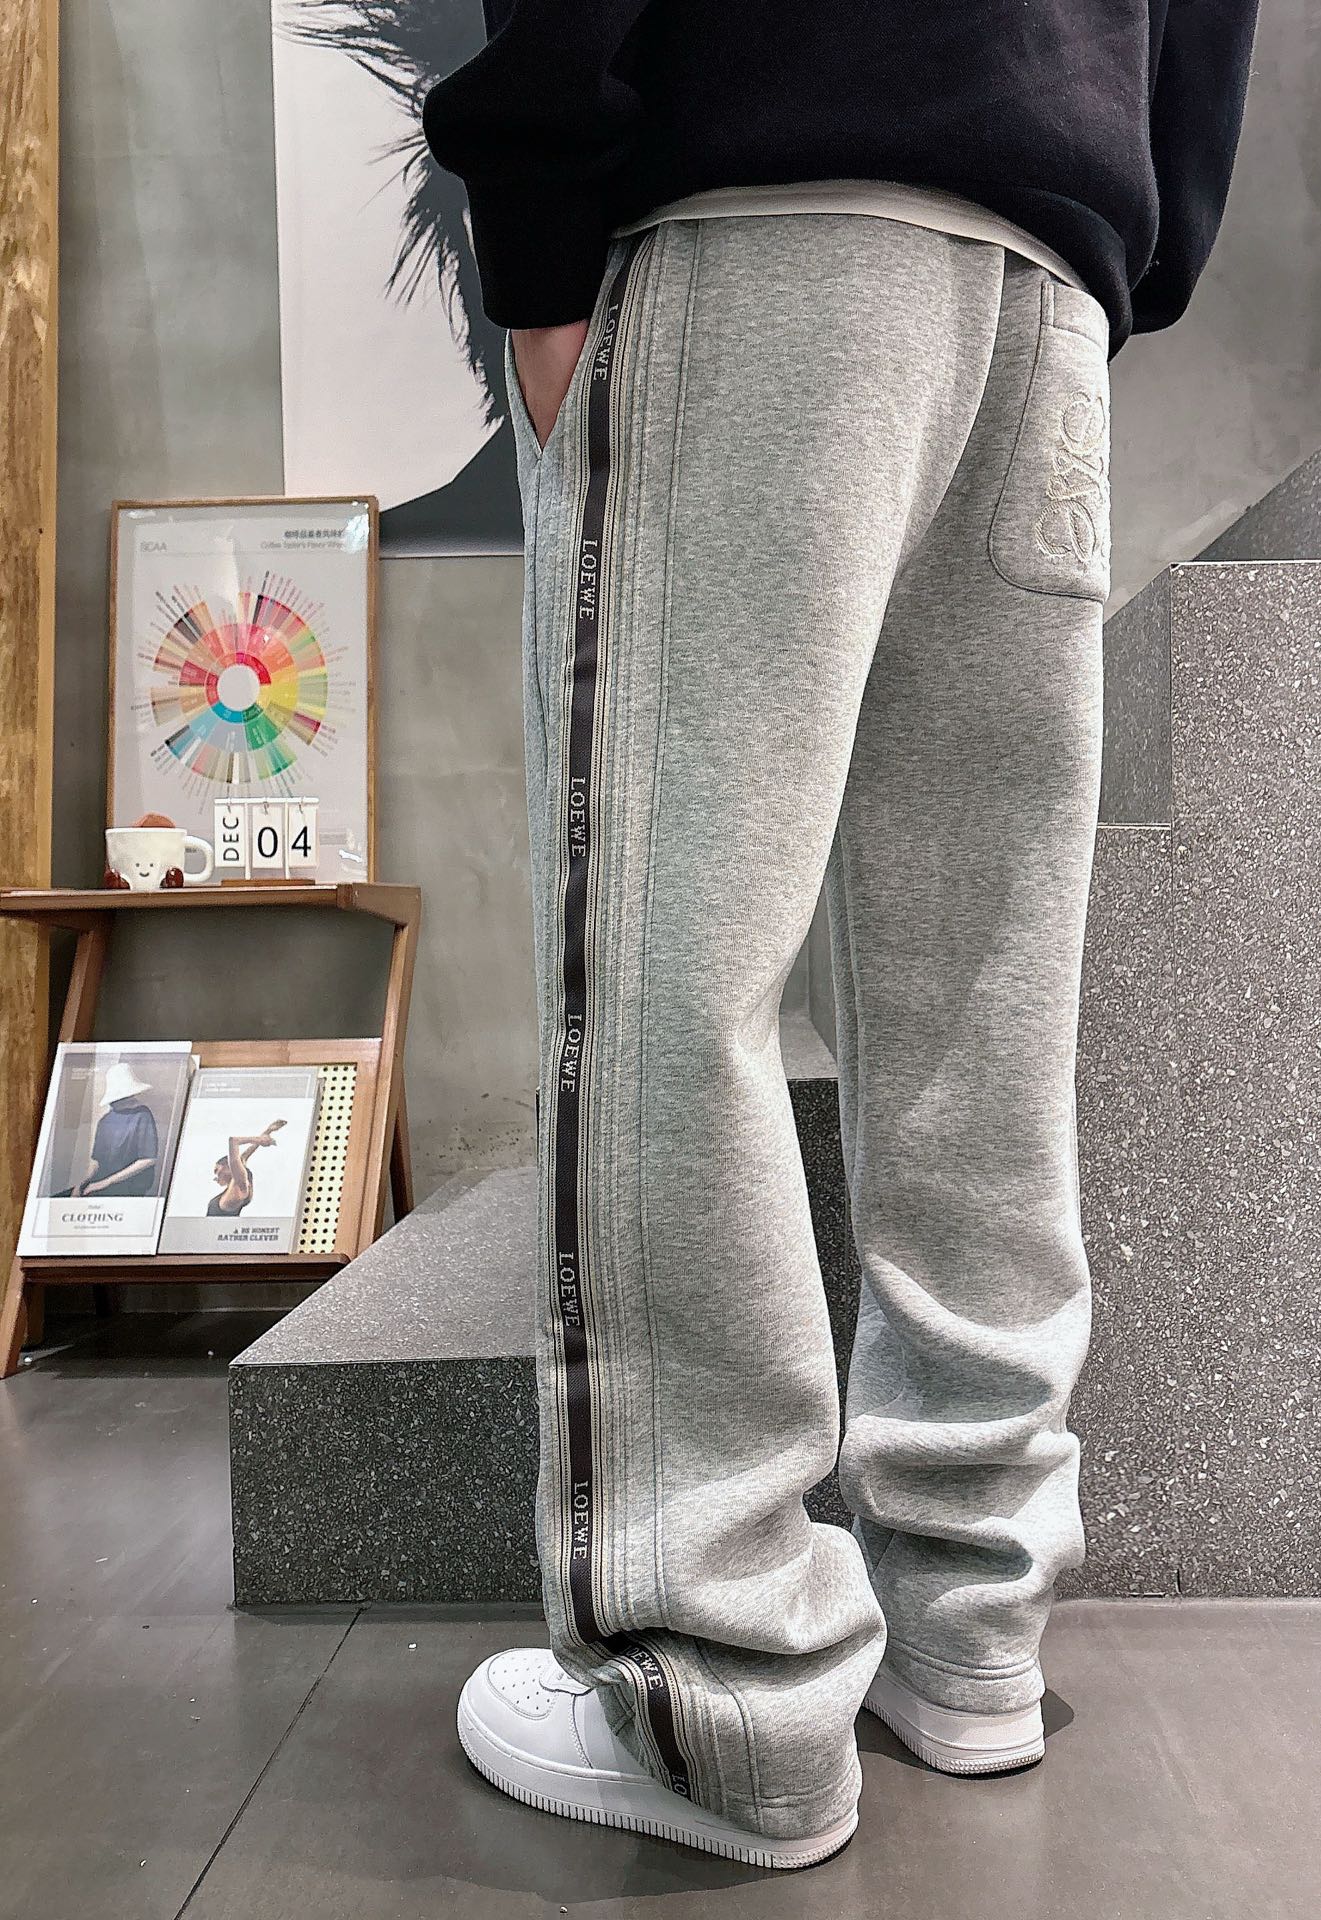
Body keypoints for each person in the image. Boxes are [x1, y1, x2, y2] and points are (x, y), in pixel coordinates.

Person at [423, 0, 1259, 1870]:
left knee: (672, 973)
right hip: (1045, 258)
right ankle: (971, 1626)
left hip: (766, 198)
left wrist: (541, 220)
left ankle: (721, 1702)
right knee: (980, 997)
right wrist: (1130, 210)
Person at [67, 1062, 160, 1199]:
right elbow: (97, 1161)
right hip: (101, 1184)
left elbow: (148, 1159)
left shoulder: (142, 1115)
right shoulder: (105, 1120)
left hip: (128, 1188)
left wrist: (105, 1183)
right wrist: (81, 1184)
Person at [206, 1119, 288, 1219]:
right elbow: (244, 1156)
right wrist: (268, 1131)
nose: (215, 1176)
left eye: (216, 1170)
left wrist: (259, 1140)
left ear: (229, 1167)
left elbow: (233, 1141)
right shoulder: (236, 1185)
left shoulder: (240, 1185)